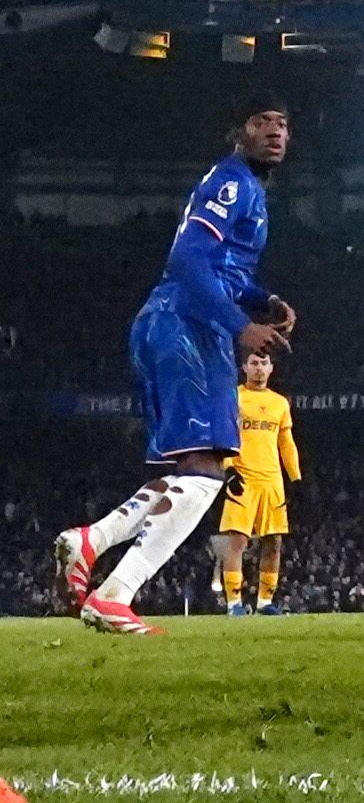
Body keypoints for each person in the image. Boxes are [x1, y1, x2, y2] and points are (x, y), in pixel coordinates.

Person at [56, 97, 296, 635]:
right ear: (239, 131)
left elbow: (222, 265)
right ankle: (115, 594)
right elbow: (187, 260)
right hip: (186, 325)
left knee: (191, 469)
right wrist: (241, 326)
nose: (276, 132)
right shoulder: (232, 183)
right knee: (208, 474)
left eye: (283, 125)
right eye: (263, 122)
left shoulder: (248, 189)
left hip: (173, 323)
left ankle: (89, 542)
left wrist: (264, 297)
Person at [213, 343, 302, 615]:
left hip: (272, 480)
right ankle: (234, 604)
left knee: (273, 541)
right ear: (244, 367)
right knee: (236, 541)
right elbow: (223, 434)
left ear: (271, 368)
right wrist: (228, 468)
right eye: (254, 364)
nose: (259, 369)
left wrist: (296, 478)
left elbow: (286, 443)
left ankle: (265, 602)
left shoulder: (279, 403)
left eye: (263, 364)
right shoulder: (233, 397)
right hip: (243, 477)